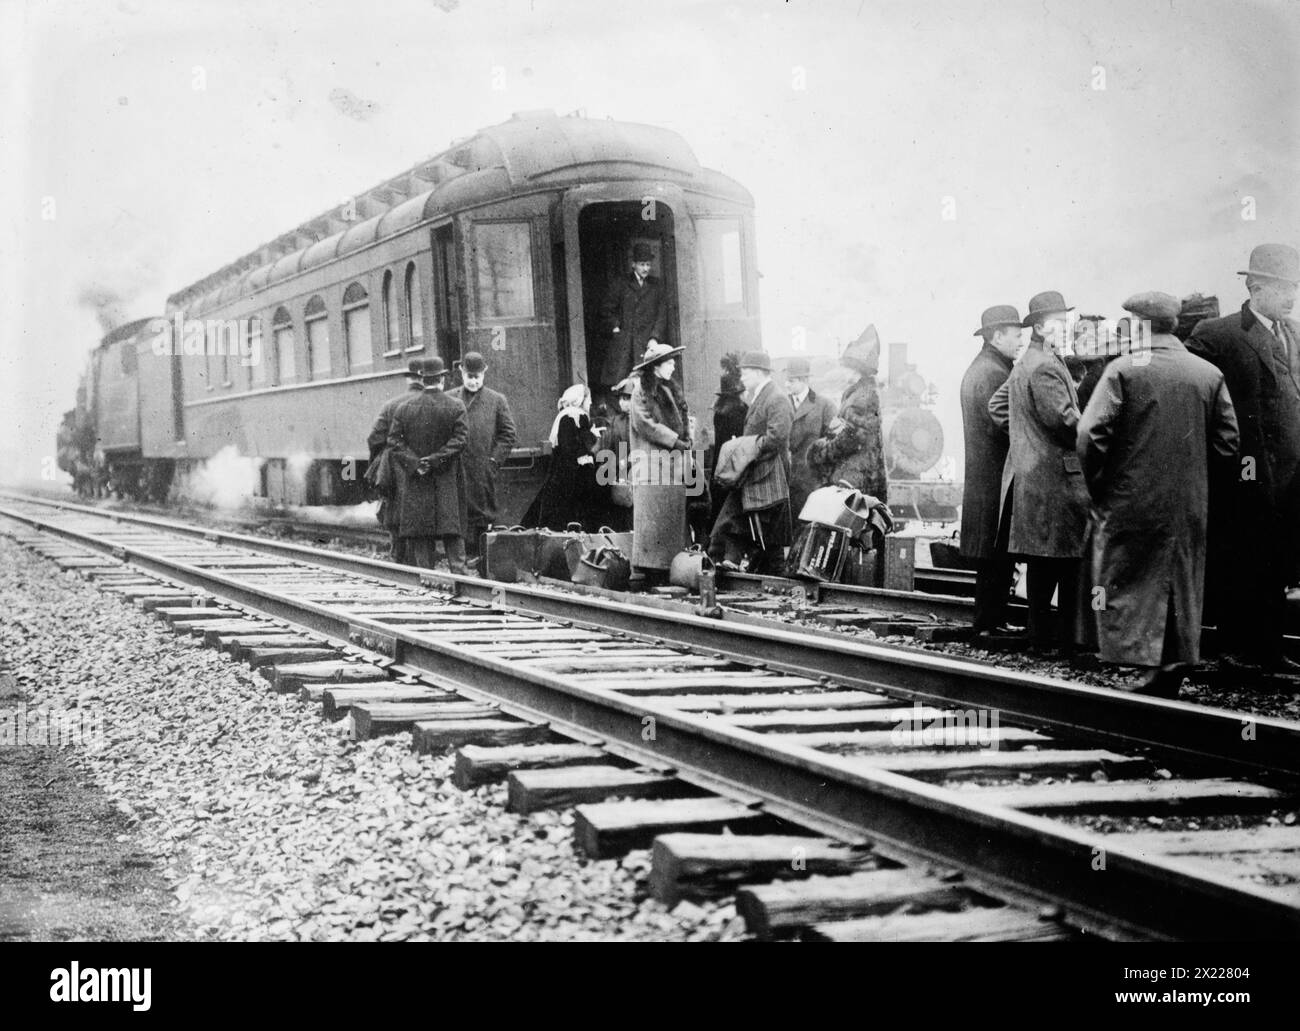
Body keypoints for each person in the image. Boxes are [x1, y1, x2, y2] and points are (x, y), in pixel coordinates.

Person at [1078, 292, 1239, 697]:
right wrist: (1197, 486)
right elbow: (1228, 444)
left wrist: (1100, 485)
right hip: (1188, 505)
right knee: (1178, 582)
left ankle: (1144, 662)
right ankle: (1171, 663)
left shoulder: (1124, 370)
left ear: (1142, 325)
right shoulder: (1207, 374)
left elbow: (1089, 435)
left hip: (1129, 500)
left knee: (1128, 579)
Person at [1188, 243, 1300, 677]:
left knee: (1279, 559)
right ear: (1255, 287)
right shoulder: (1218, 334)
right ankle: (1235, 646)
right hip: (1244, 468)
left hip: (1290, 471)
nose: (1292, 296)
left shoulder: (1294, 333)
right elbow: (1197, 397)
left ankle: (1269, 648)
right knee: (1242, 557)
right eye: (1283, 287)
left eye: (1294, 286)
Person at [988, 291, 1090, 652]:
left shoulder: (1028, 361)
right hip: (1057, 478)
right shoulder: (1044, 364)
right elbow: (1063, 420)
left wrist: (1022, 438)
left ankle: (1042, 638)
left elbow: (998, 404)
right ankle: (1060, 640)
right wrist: (1099, 432)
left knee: (1044, 562)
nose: (1068, 329)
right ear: (1045, 328)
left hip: (1035, 475)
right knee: (1062, 562)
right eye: (1062, 324)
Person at [959, 305, 1021, 635]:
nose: (1020, 341)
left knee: (992, 556)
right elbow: (1004, 425)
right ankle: (989, 623)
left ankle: (991, 620)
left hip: (984, 479)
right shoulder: (995, 373)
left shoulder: (983, 367)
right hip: (996, 478)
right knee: (996, 556)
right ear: (997, 336)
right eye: (1015, 335)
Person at [709, 350, 793, 572]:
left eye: (745, 373)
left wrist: (746, 448)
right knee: (741, 519)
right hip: (757, 471)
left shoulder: (777, 398)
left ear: (758, 372)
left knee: (750, 522)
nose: (742, 378)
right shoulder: (761, 396)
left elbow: (777, 438)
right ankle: (726, 561)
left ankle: (724, 561)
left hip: (769, 474)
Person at [386, 357, 470, 574]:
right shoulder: (456, 405)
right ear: (442, 378)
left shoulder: (404, 409)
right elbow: (460, 440)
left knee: (421, 534)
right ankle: (461, 579)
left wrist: (416, 464)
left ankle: (426, 579)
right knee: (453, 530)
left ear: (422, 379)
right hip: (447, 479)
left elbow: (394, 442)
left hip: (417, 479)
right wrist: (435, 460)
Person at [628, 342, 694, 583]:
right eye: (669, 362)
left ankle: (667, 568)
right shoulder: (641, 392)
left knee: (668, 521)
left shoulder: (671, 390)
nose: (673, 365)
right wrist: (675, 440)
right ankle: (645, 570)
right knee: (651, 521)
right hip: (651, 466)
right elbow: (644, 424)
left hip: (672, 467)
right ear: (655, 367)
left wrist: (685, 439)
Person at [447, 350, 517, 561]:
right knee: (456, 514)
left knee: (483, 515)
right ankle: (462, 559)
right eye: (470, 377)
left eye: (478, 377)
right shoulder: (449, 398)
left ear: (484, 374)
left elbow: (508, 434)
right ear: (462, 373)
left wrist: (494, 461)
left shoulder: (496, 400)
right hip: (456, 469)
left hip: (482, 469)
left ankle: (482, 559)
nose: (474, 382)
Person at [808, 324, 889, 503]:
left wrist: (823, 451)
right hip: (859, 475)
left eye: (846, 368)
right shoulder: (860, 393)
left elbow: (853, 436)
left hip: (856, 477)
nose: (842, 373)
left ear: (856, 370)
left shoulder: (863, 396)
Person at [523, 384, 609, 530]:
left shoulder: (564, 414)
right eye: (588, 400)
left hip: (560, 472)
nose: (590, 404)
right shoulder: (577, 415)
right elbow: (575, 446)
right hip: (573, 475)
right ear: (580, 400)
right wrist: (593, 438)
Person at [367, 359, 424, 562]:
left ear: (409, 379)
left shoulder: (391, 405)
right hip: (425, 468)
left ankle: (399, 561)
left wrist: (381, 461)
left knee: (395, 516)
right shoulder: (437, 402)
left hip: (397, 471)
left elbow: (374, 438)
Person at [598, 242, 668, 386]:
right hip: (625, 343)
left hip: (647, 343)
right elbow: (606, 309)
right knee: (622, 383)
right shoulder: (621, 284)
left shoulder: (656, 286)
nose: (646, 268)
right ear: (633, 264)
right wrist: (616, 328)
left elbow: (661, 315)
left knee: (647, 382)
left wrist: (654, 337)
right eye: (642, 264)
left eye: (648, 264)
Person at [785, 355, 837, 520]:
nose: (787, 384)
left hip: (812, 480)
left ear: (804, 380)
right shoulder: (782, 404)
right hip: (786, 479)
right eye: (787, 380)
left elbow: (835, 441)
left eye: (792, 381)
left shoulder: (824, 405)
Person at [596, 376, 636, 532]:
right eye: (621, 398)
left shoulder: (644, 421)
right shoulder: (615, 421)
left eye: (627, 398)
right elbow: (605, 446)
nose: (622, 402)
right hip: (620, 473)